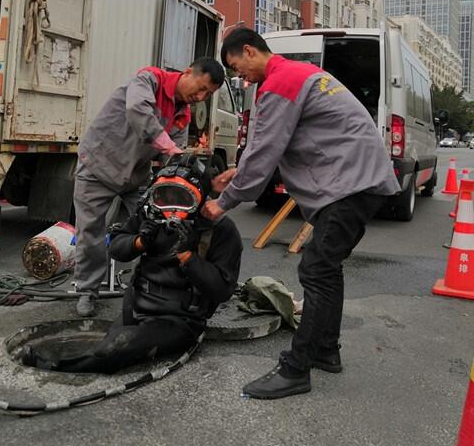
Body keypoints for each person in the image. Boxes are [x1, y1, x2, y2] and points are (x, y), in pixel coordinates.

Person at [202, 27, 400, 400]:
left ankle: (296, 369)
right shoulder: (294, 74)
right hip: (360, 179)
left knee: (316, 270)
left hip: (350, 183)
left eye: (236, 67)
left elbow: (265, 153)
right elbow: (267, 145)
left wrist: (223, 202)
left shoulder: (281, 82)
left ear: (249, 51)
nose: (238, 76)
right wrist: (238, 168)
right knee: (327, 269)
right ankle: (326, 350)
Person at [22, 155, 242, 373]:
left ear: (201, 198)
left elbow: (222, 290)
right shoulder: (150, 215)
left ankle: (58, 366)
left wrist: (188, 257)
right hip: (137, 305)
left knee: (115, 348)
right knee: (110, 343)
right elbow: (117, 246)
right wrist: (139, 242)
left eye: (182, 198)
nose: (172, 210)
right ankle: (80, 358)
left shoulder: (220, 229)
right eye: (164, 197)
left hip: (180, 319)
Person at [73, 57, 225, 318]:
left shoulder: (182, 114)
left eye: (207, 95)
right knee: (90, 233)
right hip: (98, 166)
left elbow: (171, 159)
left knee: (162, 222)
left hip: (136, 175)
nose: (200, 97)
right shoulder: (148, 80)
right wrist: (169, 147)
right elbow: (137, 110)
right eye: (200, 88)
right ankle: (87, 290)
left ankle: (151, 284)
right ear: (188, 72)